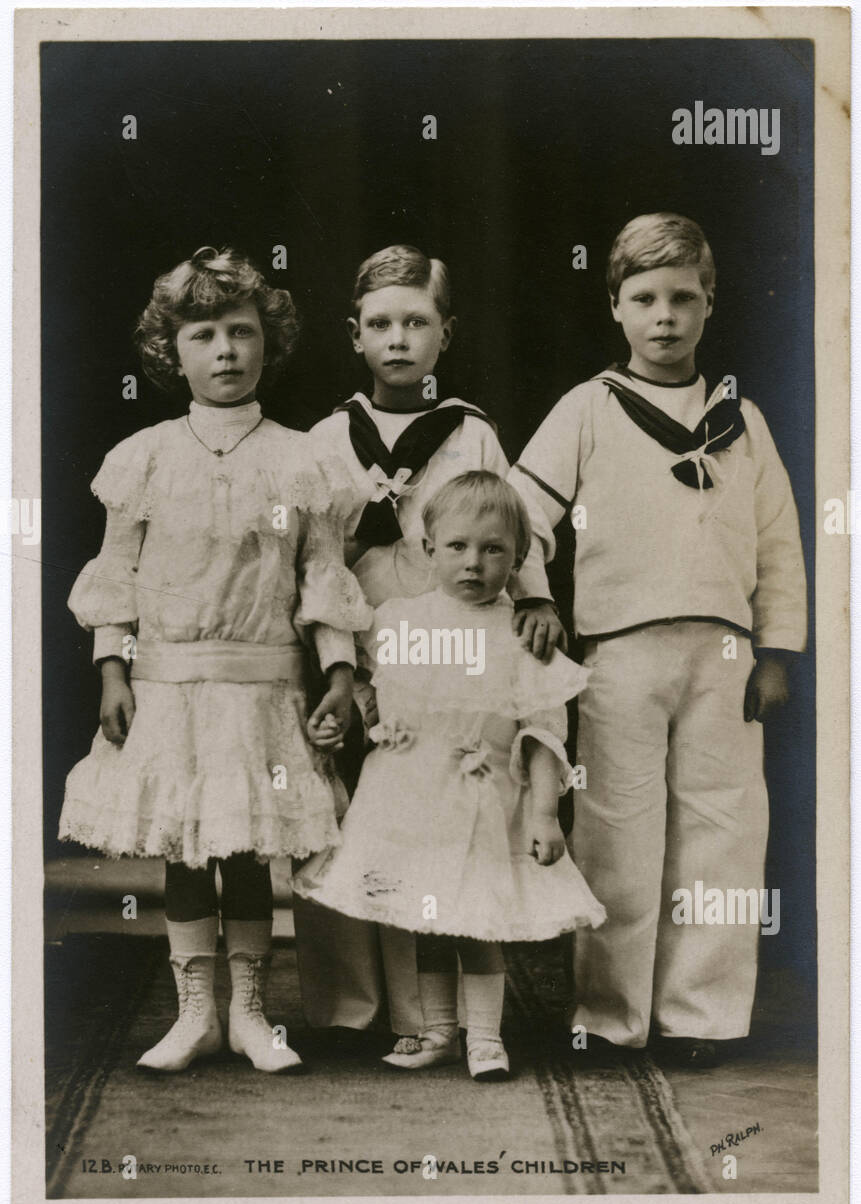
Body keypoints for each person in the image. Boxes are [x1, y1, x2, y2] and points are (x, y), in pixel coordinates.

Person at [59, 246, 372, 1074]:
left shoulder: (304, 458)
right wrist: (113, 669)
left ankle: (252, 1015)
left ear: (268, 342)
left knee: (246, 853)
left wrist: (339, 673)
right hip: (169, 683)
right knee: (184, 850)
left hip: (262, 681)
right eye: (204, 334)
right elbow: (115, 575)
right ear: (174, 351)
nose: (226, 351)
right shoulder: (147, 456)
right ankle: (195, 1013)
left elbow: (321, 577)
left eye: (242, 332)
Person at [510, 213, 807, 1067]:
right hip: (617, 653)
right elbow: (522, 517)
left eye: (683, 298)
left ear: (709, 305)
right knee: (616, 831)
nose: (664, 316)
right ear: (615, 307)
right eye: (643, 298)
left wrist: (778, 650)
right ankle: (608, 1016)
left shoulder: (740, 420)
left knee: (722, 829)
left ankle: (701, 1017)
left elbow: (779, 542)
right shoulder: (587, 409)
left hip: (722, 656)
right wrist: (536, 596)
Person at [293, 245, 561, 1048]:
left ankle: (427, 1020)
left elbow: (509, 526)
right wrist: (338, 668)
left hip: (453, 650)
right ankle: (348, 1008)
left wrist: (537, 595)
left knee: (432, 821)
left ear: (445, 335)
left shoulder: (470, 431)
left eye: (416, 322)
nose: (398, 339)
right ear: (355, 336)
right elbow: (317, 564)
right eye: (380, 324)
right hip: (361, 646)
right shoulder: (326, 439)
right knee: (349, 817)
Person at [295, 472, 605, 1080]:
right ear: (428, 548)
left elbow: (542, 731)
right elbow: (368, 682)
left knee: (475, 916)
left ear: (517, 559)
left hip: (482, 794)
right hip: (408, 793)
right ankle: (436, 1028)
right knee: (425, 915)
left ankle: (484, 1035)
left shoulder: (518, 635)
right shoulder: (396, 620)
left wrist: (544, 812)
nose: (474, 563)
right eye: (458, 546)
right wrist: (368, 719)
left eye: (494, 550)